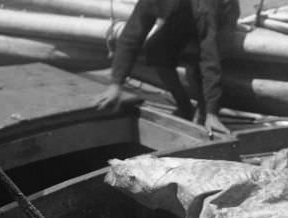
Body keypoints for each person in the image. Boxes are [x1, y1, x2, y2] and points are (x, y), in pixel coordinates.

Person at [95, 0, 239, 137]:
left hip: (222, 13)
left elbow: (210, 58)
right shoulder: (151, 2)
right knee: (155, 51)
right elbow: (130, 38)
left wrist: (211, 112)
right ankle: (184, 106)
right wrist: (116, 84)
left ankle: (203, 114)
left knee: (200, 63)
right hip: (181, 15)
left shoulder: (203, 6)